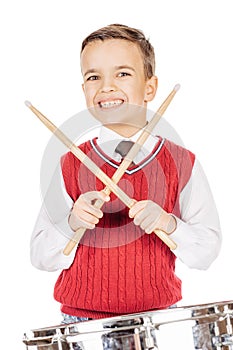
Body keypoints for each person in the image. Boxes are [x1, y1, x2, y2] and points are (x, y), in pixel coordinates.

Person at [30, 24, 221, 324]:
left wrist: (168, 223)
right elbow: (40, 255)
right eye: (93, 77)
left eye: (122, 73)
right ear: (84, 90)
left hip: (159, 321)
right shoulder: (70, 163)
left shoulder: (182, 163)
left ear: (150, 88)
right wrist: (71, 222)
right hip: (81, 322)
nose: (106, 87)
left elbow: (207, 251)